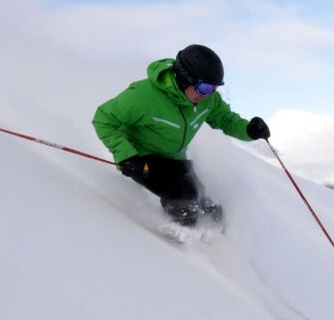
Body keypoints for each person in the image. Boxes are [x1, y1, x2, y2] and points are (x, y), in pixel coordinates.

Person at [92, 44, 270, 226]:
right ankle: (181, 245)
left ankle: (218, 244)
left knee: (206, 205)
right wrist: (126, 156)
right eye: (205, 87)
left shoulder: (207, 99)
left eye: (214, 88)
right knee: (183, 197)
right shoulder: (144, 95)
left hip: (174, 159)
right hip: (141, 159)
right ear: (185, 79)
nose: (208, 94)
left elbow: (226, 119)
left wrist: (249, 130)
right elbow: (103, 119)